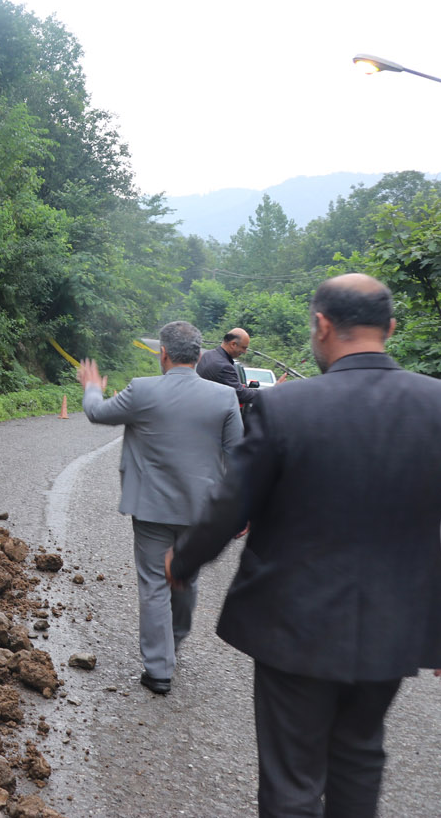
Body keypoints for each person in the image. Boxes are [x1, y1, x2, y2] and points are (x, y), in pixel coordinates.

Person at [166, 274, 441, 817]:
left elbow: (230, 503)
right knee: (361, 756)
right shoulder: (435, 404)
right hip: (395, 624)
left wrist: (186, 559)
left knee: (292, 777)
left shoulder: (288, 407)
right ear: (389, 327)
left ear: (321, 325)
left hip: (295, 626)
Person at [78, 321, 243, 695]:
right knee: (185, 577)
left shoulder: (143, 389)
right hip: (203, 512)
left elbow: (96, 413)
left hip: (151, 509)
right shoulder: (223, 397)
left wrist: (91, 386)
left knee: (154, 584)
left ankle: (158, 670)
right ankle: (175, 642)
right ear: (200, 356)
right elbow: (239, 457)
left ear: (163, 354)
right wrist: (240, 510)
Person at [196, 327, 287, 408]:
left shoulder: (208, 355)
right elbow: (241, 394)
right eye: (244, 348)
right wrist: (271, 392)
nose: (245, 352)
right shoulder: (224, 366)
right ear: (233, 344)